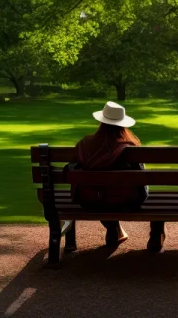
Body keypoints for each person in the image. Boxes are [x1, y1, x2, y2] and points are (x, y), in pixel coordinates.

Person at [68, 101, 166, 252]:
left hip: (90, 200)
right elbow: (142, 180)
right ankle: (156, 234)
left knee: (102, 194)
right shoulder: (130, 148)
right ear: (122, 125)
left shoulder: (84, 144)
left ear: (102, 122)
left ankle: (113, 230)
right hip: (126, 202)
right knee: (152, 196)